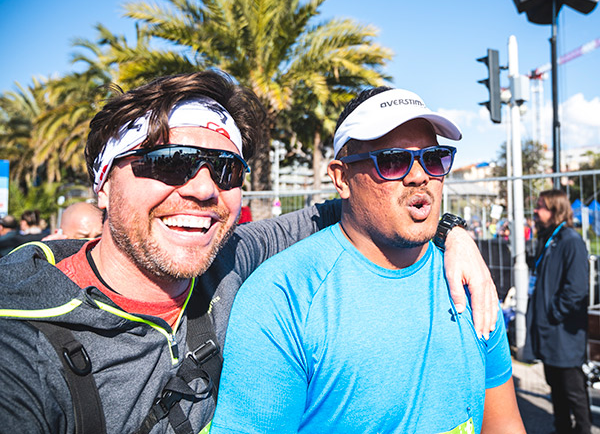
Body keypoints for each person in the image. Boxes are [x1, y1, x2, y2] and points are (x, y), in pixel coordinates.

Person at [0, 72, 497, 434]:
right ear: (103, 185)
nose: (201, 189)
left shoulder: (230, 258)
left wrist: (451, 232)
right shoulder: (21, 346)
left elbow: (365, 208)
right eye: (169, 163)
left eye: (225, 170)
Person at [211, 87, 525, 433]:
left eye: (433, 158)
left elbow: (505, 423)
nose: (420, 176)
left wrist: (454, 231)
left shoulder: (470, 282)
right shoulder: (282, 298)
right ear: (341, 178)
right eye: (392, 160)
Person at [524, 189, 591, 434]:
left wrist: (554, 313)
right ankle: (562, 428)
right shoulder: (550, 239)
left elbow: (576, 288)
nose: (536, 210)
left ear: (556, 210)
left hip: (563, 331)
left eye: (541, 206)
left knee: (572, 387)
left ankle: (584, 429)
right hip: (549, 329)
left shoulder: (570, 241)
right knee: (555, 385)